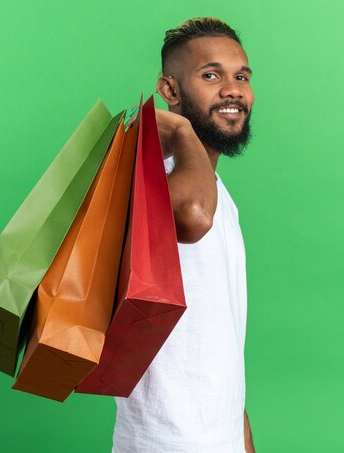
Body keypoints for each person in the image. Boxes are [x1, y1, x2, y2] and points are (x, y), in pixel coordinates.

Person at [113, 17, 256, 453]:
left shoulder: (221, 197)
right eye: (211, 75)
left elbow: (222, 347)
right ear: (169, 90)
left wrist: (242, 439)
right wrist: (177, 129)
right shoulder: (155, 179)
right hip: (165, 442)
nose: (232, 89)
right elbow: (192, 218)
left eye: (242, 76)